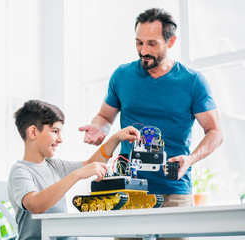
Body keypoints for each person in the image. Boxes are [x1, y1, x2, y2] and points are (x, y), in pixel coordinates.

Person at [79, 8, 223, 240]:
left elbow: (215, 131)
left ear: (171, 41)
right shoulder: (122, 76)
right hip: (127, 191)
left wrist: (191, 159)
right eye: (139, 43)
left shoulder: (193, 82)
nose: (143, 51)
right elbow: (105, 117)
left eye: (152, 44)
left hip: (174, 189)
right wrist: (99, 129)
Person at [8, 99, 140, 240]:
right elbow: (35, 205)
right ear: (33, 132)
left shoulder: (55, 165)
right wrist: (77, 175)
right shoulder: (20, 171)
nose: (60, 139)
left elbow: (92, 163)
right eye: (55, 131)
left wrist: (116, 138)